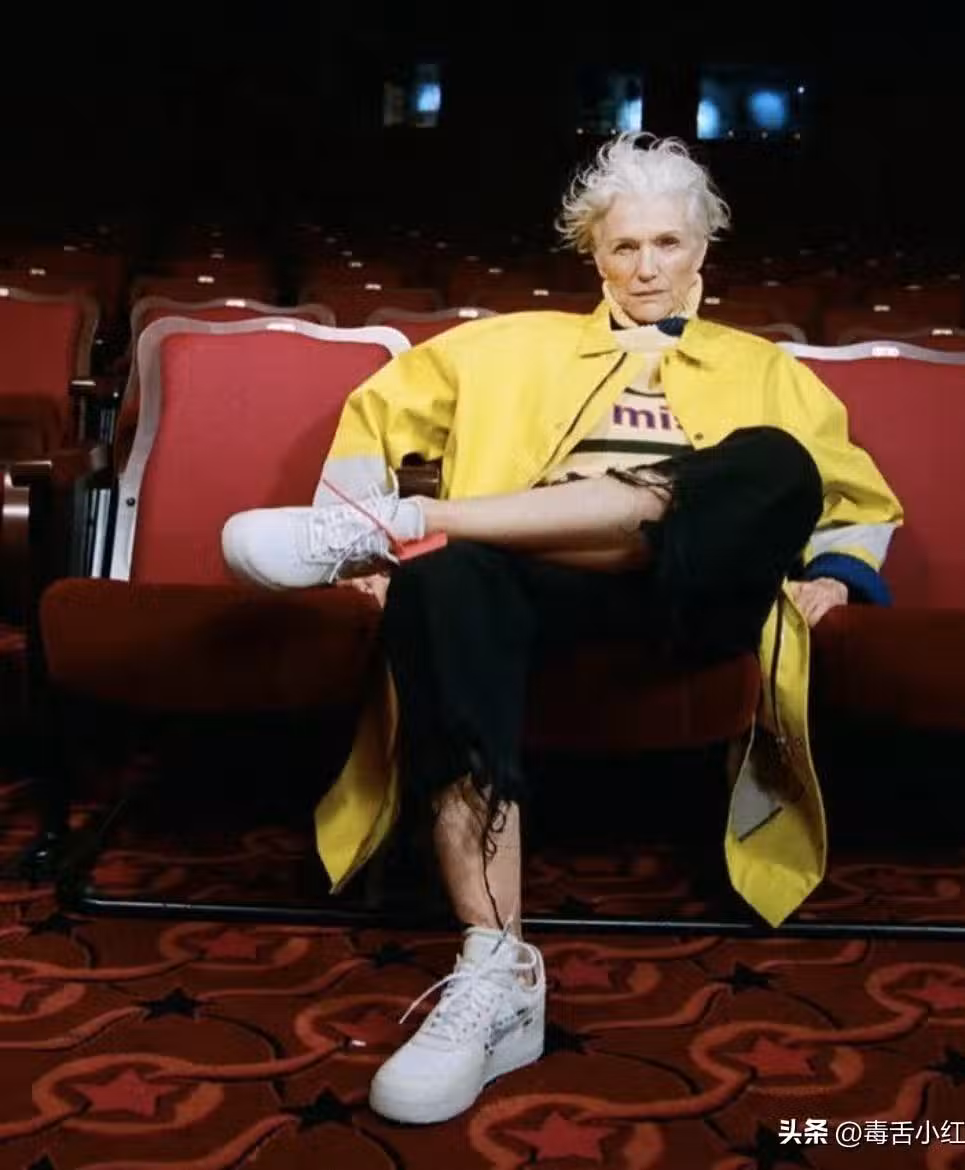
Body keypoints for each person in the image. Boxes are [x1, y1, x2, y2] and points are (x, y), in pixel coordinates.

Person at [221, 133, 903, 1125]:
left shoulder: (768, 370)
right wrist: (362, 537)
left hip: (697, 602)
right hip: (536, 590)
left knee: (775, 463)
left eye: (666, 244)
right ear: (595, 257)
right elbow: (375, 415)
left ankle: (419, 521)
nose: (646, 267)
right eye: (624, 246)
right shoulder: (505, 346)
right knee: (439, 580)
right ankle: (496, 966)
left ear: (701, 251)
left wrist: (836, 578)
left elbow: (854, 501)